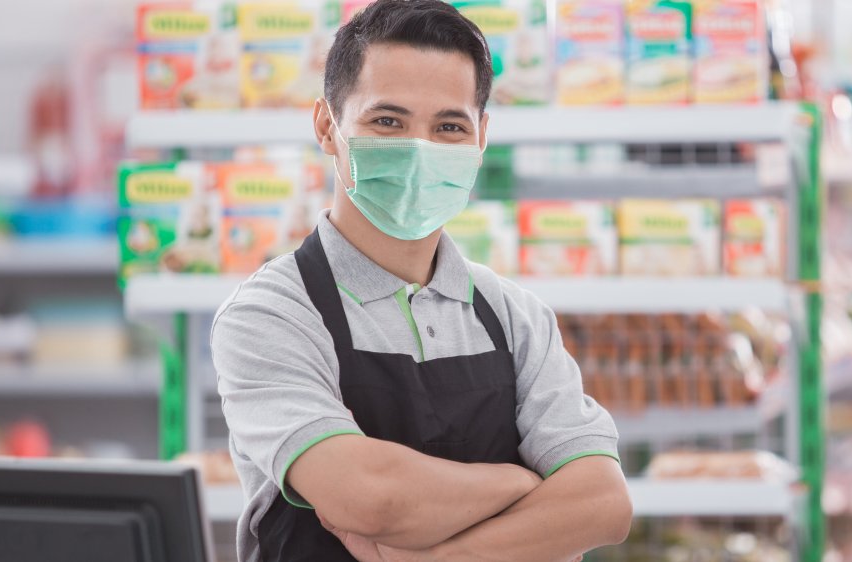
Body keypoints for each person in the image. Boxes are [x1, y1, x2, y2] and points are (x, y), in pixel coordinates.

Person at [211, 1, 632, 560]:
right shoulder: (271, 314)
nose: (419, 149)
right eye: (388, 121)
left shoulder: (514, 317)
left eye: (449, 126)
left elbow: (603, 504)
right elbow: (370, 498)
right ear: (326, 126)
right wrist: (522, 484)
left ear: (481, 137)